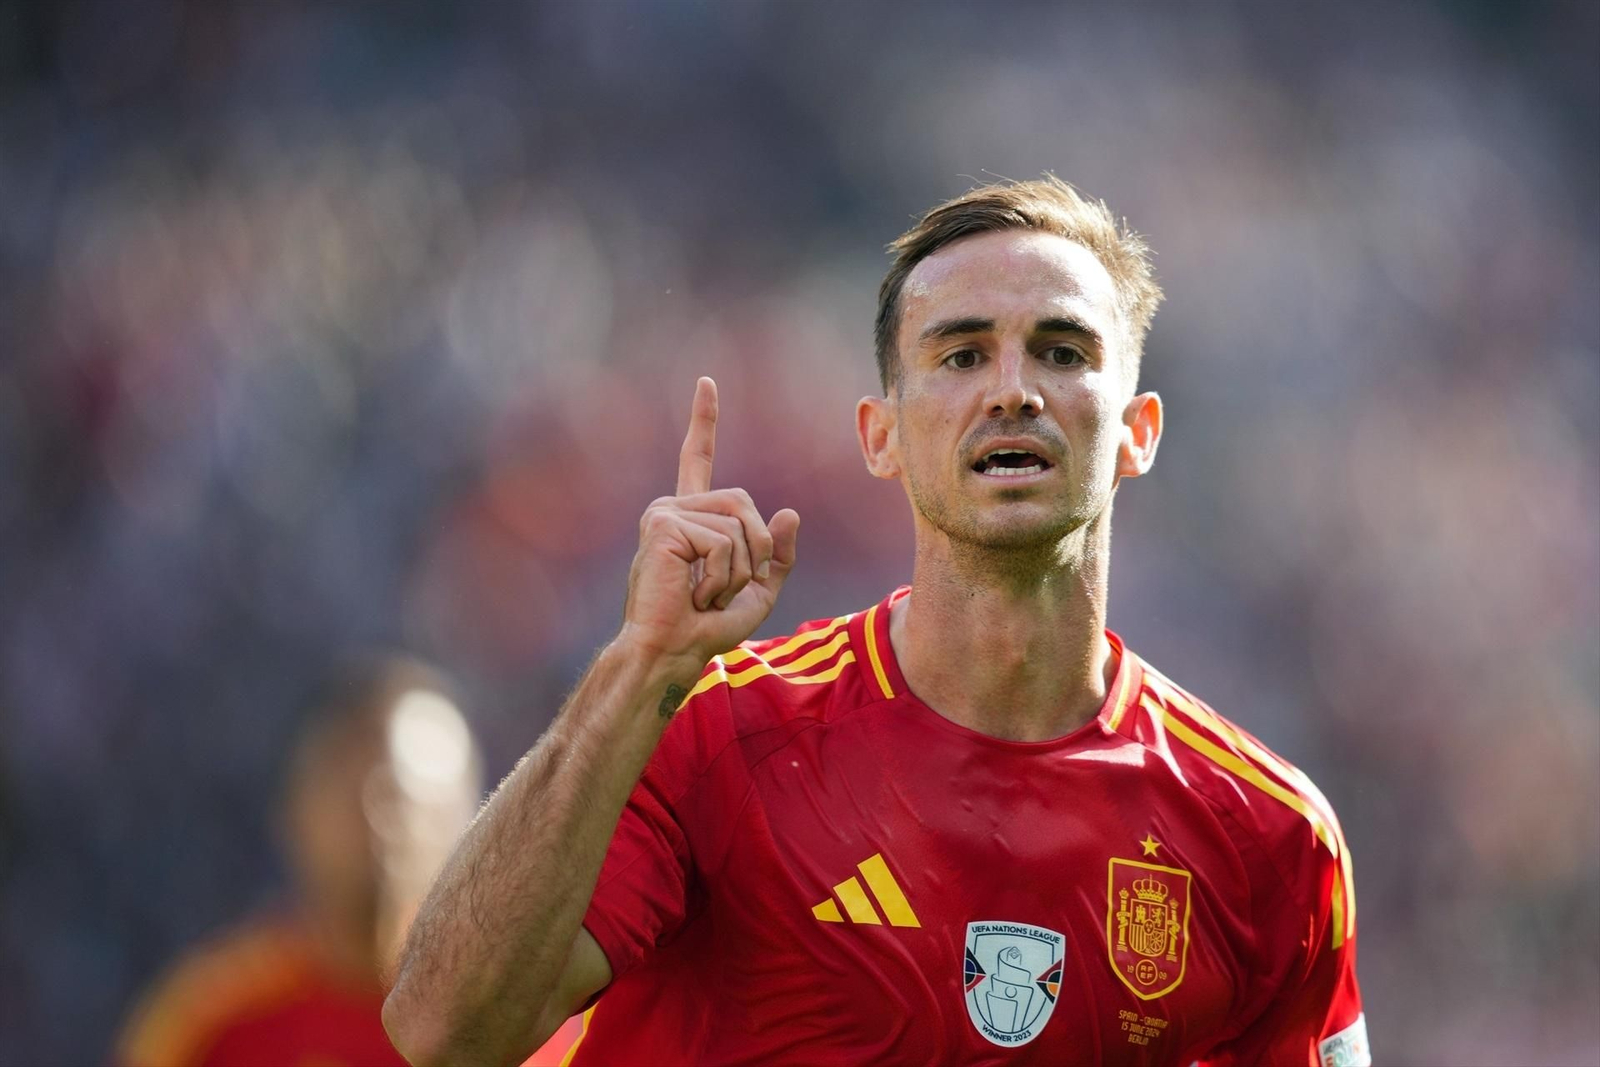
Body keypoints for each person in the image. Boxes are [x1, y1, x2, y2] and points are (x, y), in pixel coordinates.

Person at [382, 177, 1369, 1066]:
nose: (1012, 388)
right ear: (880, 434)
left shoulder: (1268, 837)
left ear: (1136, 431)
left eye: (1061, 351)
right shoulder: (718, 731)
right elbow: (445, 1032)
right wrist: (637, 665)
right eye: (961, 352)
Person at [113, 656, 596, 1065]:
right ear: (293, 811)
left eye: (404, 797)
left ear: (480, 823)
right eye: (350, 789)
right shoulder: (213, 1026)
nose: (377, 820)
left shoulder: (546, 1024)